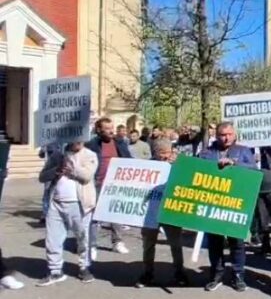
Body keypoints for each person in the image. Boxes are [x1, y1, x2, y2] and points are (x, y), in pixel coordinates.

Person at [199, 122, 257, 292]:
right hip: (213, 203)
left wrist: (234, 163)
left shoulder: (244, 151)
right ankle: (216, 275)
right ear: (217, 135)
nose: (226, 138)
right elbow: (198, 170)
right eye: (223, 135)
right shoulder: (207, 152)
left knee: (237, 242)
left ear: (234, 134)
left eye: (229, 134)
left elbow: (254, 170)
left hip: (236, 203)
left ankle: (238, 275)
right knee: (215, 242)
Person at [37, 141, 98, 286]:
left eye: (80, 140)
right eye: (75, 140)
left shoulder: (89, 155)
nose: (78, 142)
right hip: (56, 203)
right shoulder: (57, 155)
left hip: (79, 204)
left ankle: (84, 267)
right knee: (53, 239)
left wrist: (71, 166)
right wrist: (56, 170)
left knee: (82, 238)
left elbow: (86, 176)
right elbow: (42, 177)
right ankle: (55, 271)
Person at [135, 138, 190, 288]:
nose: (166, 156)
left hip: (170, 209)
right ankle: (147, 273)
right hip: (151, 211)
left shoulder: (176, 165)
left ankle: (179, 272)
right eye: (162, 153)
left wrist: (178, 165)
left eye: (168, 152)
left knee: (175, 243)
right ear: (155, 153)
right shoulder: (148, 167)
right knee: (148, 243)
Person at [86, 117, 133, 256]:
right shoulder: (91, 145)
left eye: (112, 128)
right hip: (97, 184)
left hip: (116, 185)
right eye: (107, 128)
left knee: (116, 214)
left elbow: (129, 160)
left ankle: (117, 242)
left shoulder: (120, 143)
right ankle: (91, 245)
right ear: (99, 130)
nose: (111, 131)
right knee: (94, 215)